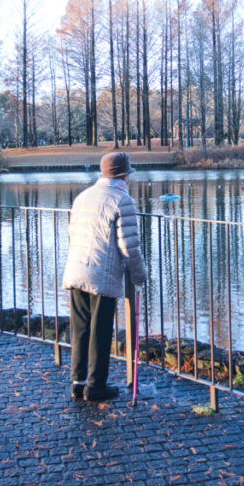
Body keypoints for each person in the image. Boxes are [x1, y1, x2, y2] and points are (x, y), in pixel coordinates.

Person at [61, 151, 148, 401]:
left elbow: (72, 233)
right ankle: (96, 386)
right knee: (100, 331)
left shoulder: (83, 196)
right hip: (102, 274)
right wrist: (139, 276)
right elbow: (128, 246)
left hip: (77, 269)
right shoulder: (122, 200)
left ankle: (78, 383)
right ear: (124, 175)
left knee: (80, 329)